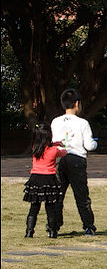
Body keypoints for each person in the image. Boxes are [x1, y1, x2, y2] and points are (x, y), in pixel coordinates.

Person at [51, 88, 98, 236]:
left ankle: (53, 226)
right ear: (77, 103)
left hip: (59, 159)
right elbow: (89, 145)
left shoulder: (55, 121)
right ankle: (88, 225)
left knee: (58, 194)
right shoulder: (82, 123)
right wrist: (96, 144)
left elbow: (53, 141)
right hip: (77, 159)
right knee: (81, 195)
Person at [23, 121, 67, 238]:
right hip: (49, 179)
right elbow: (63, 152)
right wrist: (63, 145)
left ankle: (29, 231)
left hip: (35, 179)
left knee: (34, 207)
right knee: (50, 207)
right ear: (49, 136)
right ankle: (53, 232)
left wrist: (54, 143)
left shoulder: (34, 149)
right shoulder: (54, 151)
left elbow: (46, 147)